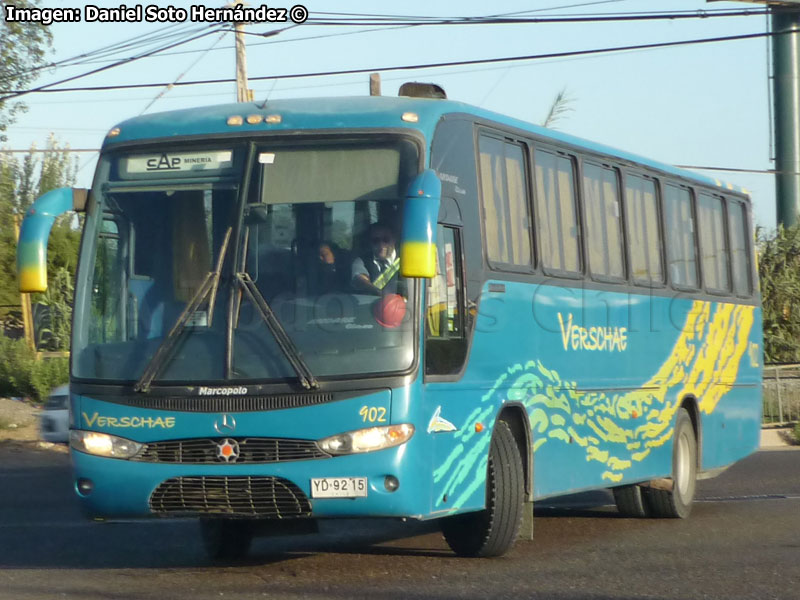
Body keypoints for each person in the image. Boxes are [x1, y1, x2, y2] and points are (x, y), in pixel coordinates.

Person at [351, 223, 402, 296]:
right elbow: (360, 280)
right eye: (376, 240)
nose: (381, 245)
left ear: (394, 240)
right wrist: (377, 292)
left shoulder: (405, 261)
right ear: (370, 242)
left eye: (386, 240)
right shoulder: (361, 261)